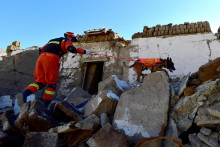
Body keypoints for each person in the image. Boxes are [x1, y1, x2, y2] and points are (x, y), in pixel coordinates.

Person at [16, 32, 93, 107]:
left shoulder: (52, 40)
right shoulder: (66, 40)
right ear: (69, 37)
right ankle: (46, 104)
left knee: (40, 81)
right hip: (51, 59)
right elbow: (70, 48)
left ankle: (24, 94)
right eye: (72, 39)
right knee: (51, 83)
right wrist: (85, 51)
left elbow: (40, 50)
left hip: (40, 59)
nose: (72, 41)